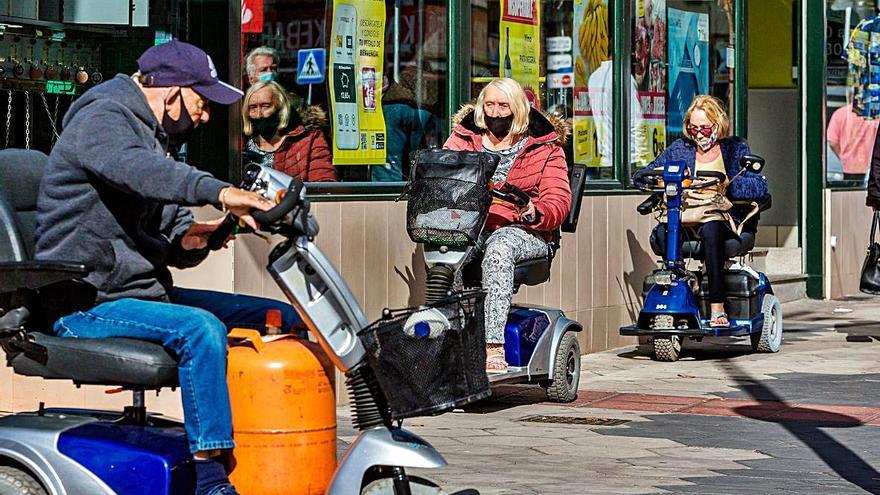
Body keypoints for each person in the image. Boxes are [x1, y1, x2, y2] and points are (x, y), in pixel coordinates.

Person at [34, 41, 303, 495]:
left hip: (137, 292)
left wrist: (203, 234)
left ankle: (279, 449)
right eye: (202, 103)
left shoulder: (151, 136)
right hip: (84, 299)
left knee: (278, 317)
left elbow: (170, 224)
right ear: (173, 92)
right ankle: (211, 479)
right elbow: (140, 172)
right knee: (199, 329)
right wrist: (220, 192)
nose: (205, 117)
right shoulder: (103, 120)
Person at [443, 78, 571, 371]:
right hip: (471, 226)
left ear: (519, 110)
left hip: (525, 230)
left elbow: (558, 202)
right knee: (446, 250)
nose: (496, 112)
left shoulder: (544, 147)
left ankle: (493, 346)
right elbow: (441, 175)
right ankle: (453, 338)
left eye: (503, 106)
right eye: (489, 104)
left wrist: (531, 209)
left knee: (499, 248)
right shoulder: (462, 138)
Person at [634, 95, 768, 327]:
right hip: (685, 213)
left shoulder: (734, 149)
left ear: (717, 124)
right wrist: (656, 180)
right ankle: (678, 287)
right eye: (693, 128)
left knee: (712, 231)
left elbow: (760, 186)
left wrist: (730, 183)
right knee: (664, 233)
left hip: (718, 215)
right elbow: (643, 174)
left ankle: (717, 306)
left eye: (705, 128)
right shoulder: (680, 149)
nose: (699, 134)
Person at [242, 80, 336, 181]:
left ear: (281, 108)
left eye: (266, 106)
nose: (259, 114)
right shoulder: (240, 141)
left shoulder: (309, 140)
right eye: (252, 108)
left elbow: (323, 183)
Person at [827, 99, 879, 181]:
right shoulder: (875, 116)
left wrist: (844, 157)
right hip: (871, 168)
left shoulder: (840, 114)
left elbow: (833, 143)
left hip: (849, 168)